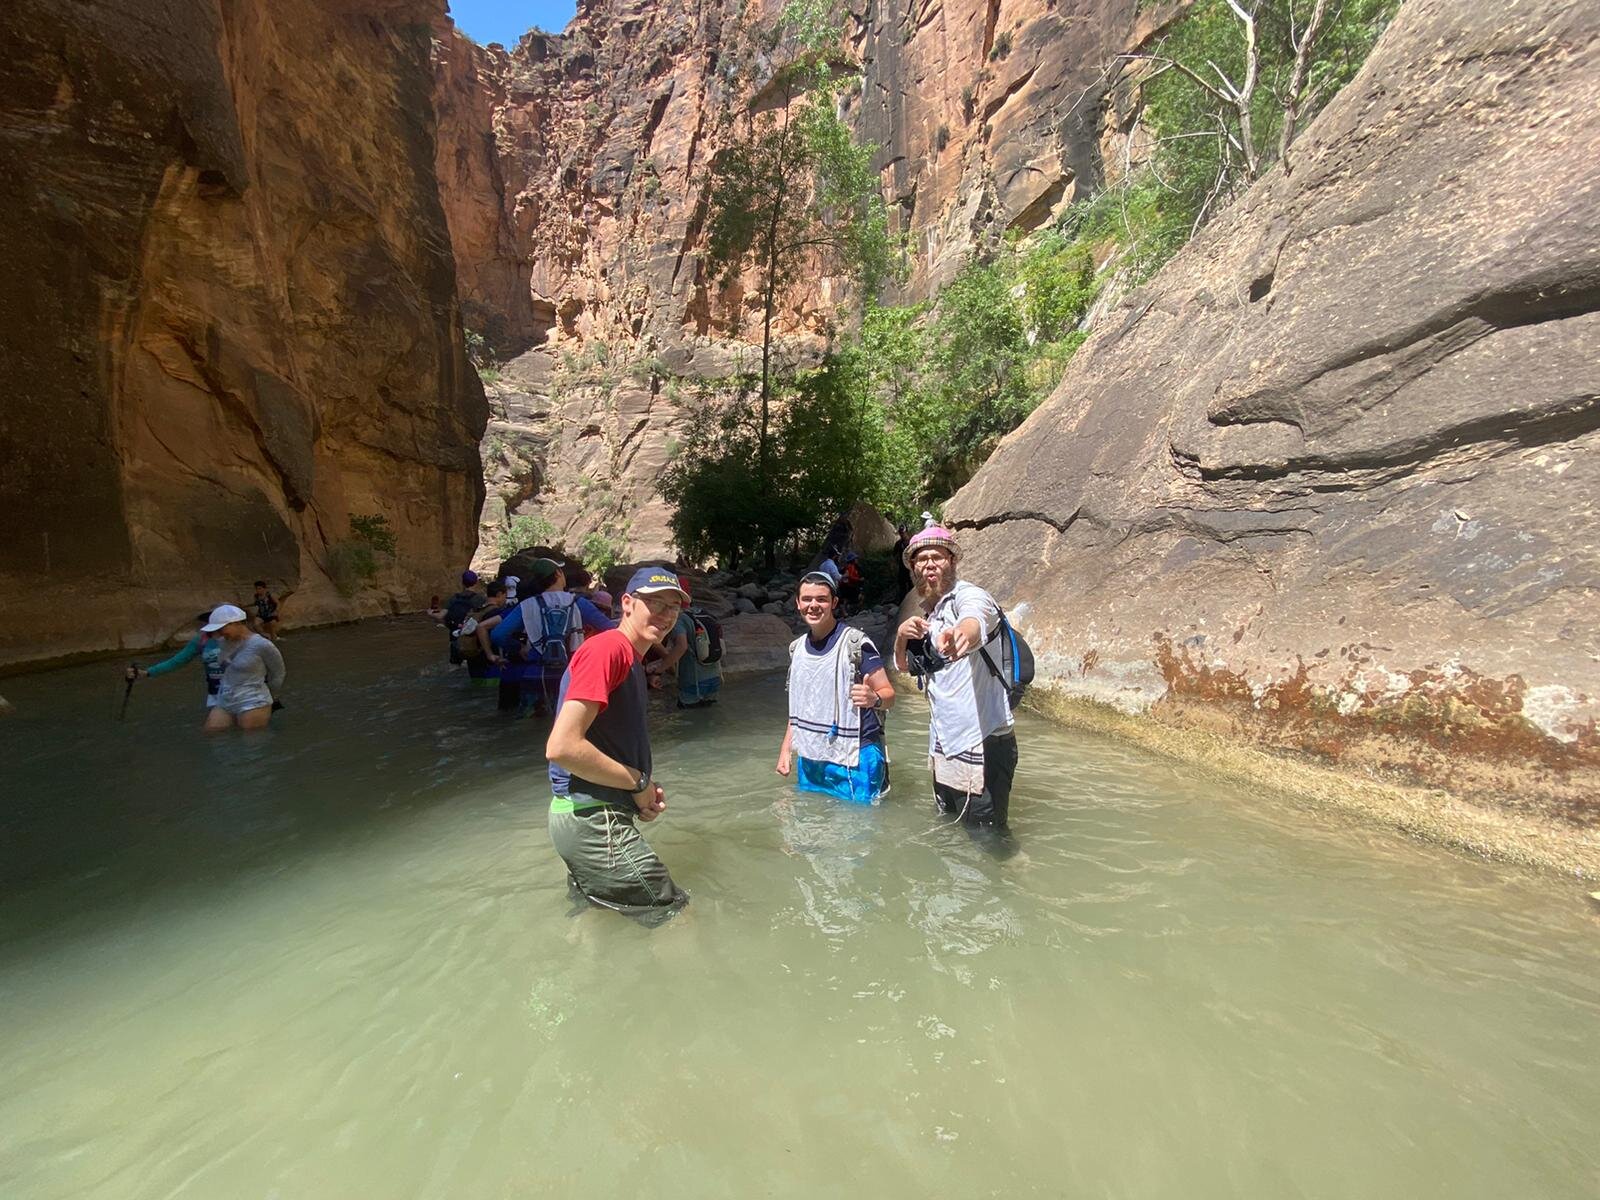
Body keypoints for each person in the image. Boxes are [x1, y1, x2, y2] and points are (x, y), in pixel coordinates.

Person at [544, 566, 692, 915]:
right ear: (627, 603)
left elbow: (608, 740)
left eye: (674, 607)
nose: (667, 615)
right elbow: (562, 747)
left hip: (589, 815)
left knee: (593, 917)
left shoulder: (631, 658)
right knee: (674, 914)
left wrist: (640, 790)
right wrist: (637, 782)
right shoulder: (608, 650)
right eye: (656, 603)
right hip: (593, 819)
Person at [892, 525, 1018, 836]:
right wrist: (900, 636)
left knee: (988, 837)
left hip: (984, 739)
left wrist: (964, 633)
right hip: (944, 740)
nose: (929, 564)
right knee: (952, 825)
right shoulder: (930, 613)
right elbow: (905, 668)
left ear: (953, 561)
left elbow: (974, 620)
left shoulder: (971, 595)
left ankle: (1008, 870)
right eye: (921, 560)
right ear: (913, 569)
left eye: (937, 557)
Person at [776, 567, 895, 803]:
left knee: (860, 833)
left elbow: (889, 694)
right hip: (812, 757)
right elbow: (798, 707)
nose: (813, 605)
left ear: (834, 603)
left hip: (856, 757)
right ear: (798, 603)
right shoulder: (796, 649)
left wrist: (874, 699)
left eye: (822, 599)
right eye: (807, 599)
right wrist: (785, 749)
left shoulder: (856, 645)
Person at [490, 558, 614, 714]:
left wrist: (519, 648)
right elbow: (610, 631)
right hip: (571, 675)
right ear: (558, 573)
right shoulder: (579, 602)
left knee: (532, 728)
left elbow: (497, 635)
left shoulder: (526, 605)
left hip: (535, 675)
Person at [202, 604, 286, 731]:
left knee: (251, 744)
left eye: (221, 629)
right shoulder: (223, 642)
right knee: (211, 733)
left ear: (236, 623)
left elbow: (278, 673)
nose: (218, 633)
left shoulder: (262, 645)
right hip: (225, 699)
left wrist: (273, 697)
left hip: (254, 700)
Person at [126, 611, 226, 712]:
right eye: (206, 620)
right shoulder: (201, 640)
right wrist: (146, 673)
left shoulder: (239, 640)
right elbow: (176, 662)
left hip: (239, 691)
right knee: (214, 727)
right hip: (216, 693)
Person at [657, 584, 722, 708]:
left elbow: (681, 646)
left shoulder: (680, 619)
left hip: (694, 681)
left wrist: (659, 670)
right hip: (714, 678)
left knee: (691, 720)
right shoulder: (703, 613)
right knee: (709, 715)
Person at [442, 571, 486, 664]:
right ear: (476, 582)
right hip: (472, 640)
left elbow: (442, 616)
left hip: (455, 636)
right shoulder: (480, 599)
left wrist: (431, 613)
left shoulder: (454, 598)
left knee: (455, 665)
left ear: (462, 582)